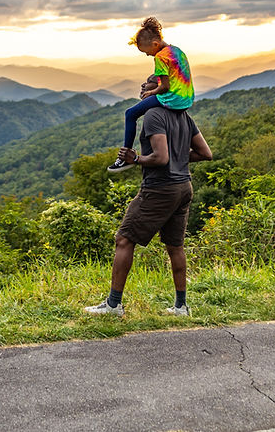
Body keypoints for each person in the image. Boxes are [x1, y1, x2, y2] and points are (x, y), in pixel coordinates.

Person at [85, 86, 212, 317]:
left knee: (124, 240)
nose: (143, 88)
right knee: (175, 247)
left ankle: (113, 305)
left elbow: (161, 158)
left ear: (159, 90)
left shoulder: (153, 114)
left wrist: (136, 159)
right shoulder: (184, 116)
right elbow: (205, 153)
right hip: (184, 187)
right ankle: (181, 306)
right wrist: (179, 158)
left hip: (160, 188)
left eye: (148, 84)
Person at [108, 16, 194, 173]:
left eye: (146, 52)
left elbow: (165, 87)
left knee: (130, 113)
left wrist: (151, 92)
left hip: (173, 99)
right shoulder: (176, 51)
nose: (148, 55)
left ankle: (124, 157)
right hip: (187, 98)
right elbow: (176, 76)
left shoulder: (160, 58)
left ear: (155, 44)